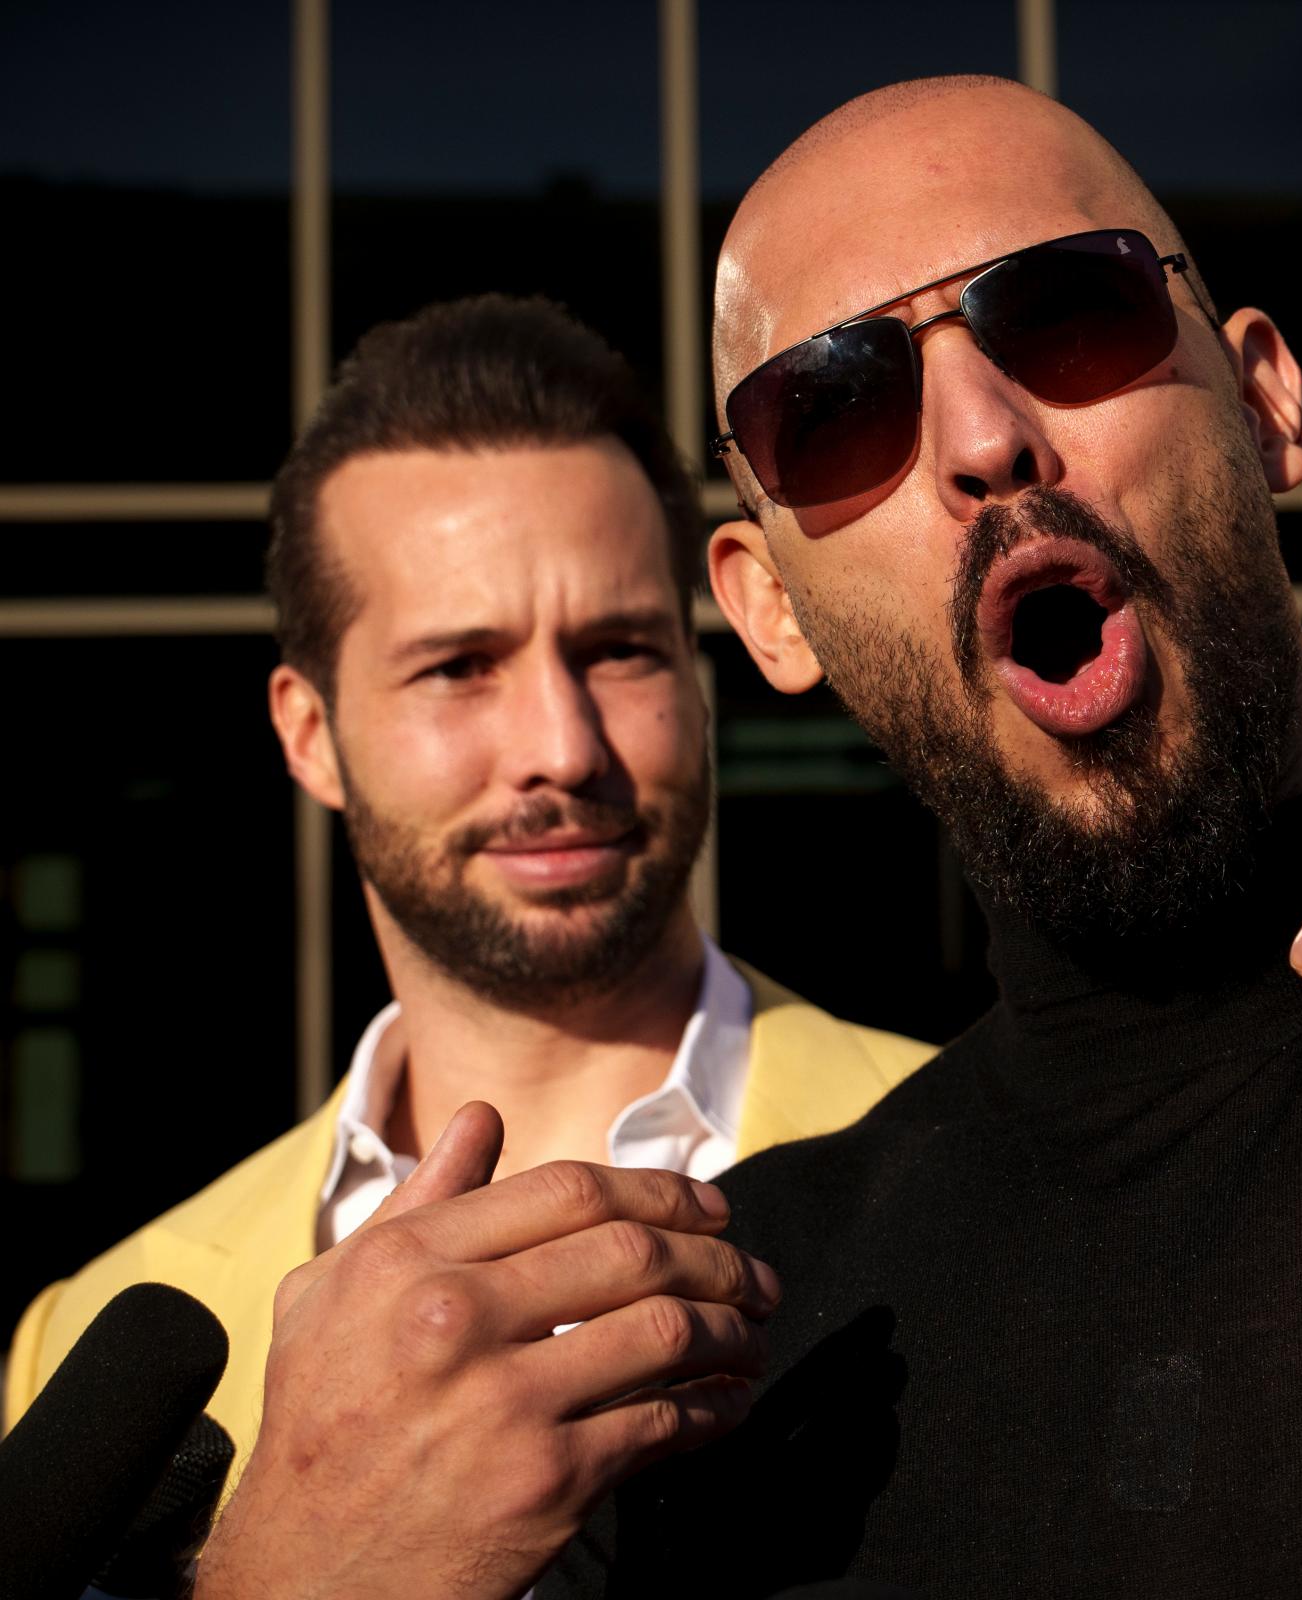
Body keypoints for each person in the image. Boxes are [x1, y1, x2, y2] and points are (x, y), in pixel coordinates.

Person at [200, 79, 1302, 1599]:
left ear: (1270, 398)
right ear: (770, 615)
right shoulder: (736, 1334)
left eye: (1064, 312)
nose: (985, 437)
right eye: (837, 405)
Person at [2, 296, 933, 1482]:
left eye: (620, 650)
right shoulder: (84, 1350)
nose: (561, 743)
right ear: (310, 734)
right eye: (458, 667)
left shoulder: (999, 1167)